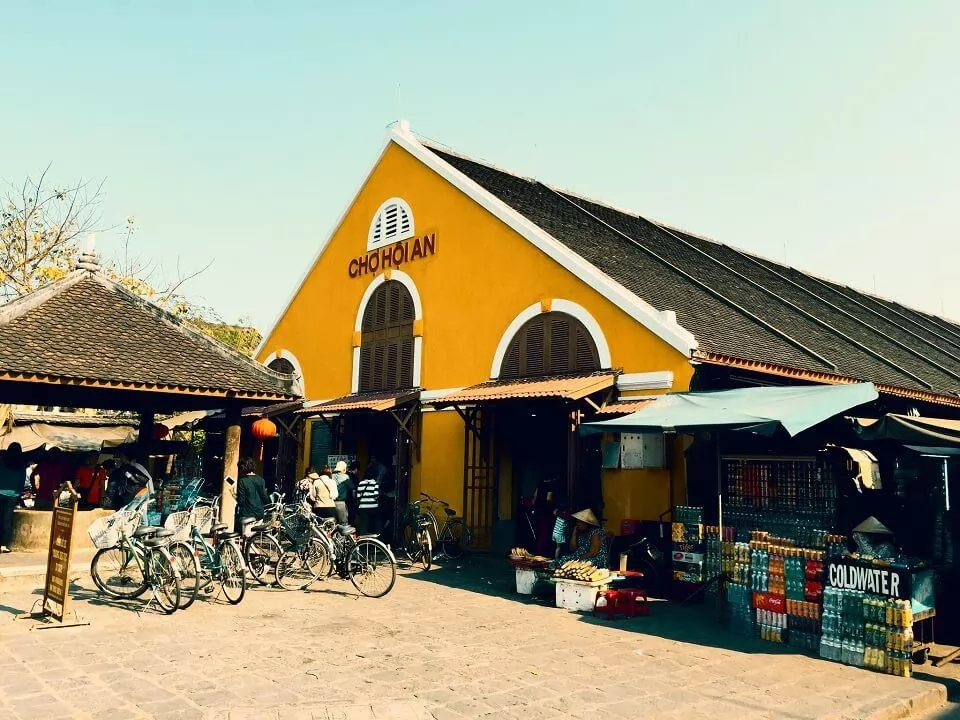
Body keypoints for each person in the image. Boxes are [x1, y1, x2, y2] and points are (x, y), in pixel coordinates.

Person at [0, 444, 26, 552]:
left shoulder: (2, 462)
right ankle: (3, 545)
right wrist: (18, 492)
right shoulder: (21, 465)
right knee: (6, 520)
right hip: (12, 496)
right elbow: (22, 481)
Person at [236, 457, 270, 523]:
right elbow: (265, 498)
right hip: (260, 514)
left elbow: (241, 501)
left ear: (243, 468)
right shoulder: (261, 480)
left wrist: (236, 497)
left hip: (247, 515)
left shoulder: (242, 481)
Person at [356, 457, 383, 535]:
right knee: (376, 523)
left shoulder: (361, 483)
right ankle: (375, 538)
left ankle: (363, 542)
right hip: (373, 507)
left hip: (363, 508)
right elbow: (375, 496)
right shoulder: (374, 483)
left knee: (363, 526)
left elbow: (358, 496)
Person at [332, 460, 354, 524]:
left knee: (333, 523)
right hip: (341, 503)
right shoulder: (345, 477)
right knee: (343, 523)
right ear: (343, 468)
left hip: (331, 503)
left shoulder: (331, 476)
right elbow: (352, 487)